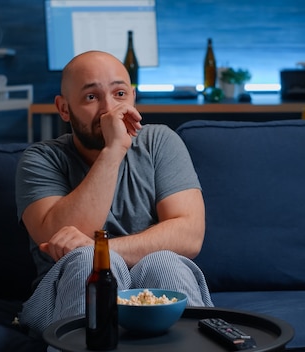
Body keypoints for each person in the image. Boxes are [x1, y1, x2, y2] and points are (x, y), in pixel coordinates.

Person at [15, 50, 214, 338]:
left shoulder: (160, 142)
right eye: (91, 97)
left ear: (133, 97)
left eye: (120, 93)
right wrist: (114, 150)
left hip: (149, 289)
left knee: (165, 261)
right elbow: (58, 238)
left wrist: (103, 251)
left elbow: (189, 235)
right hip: (62, 295)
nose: (109, 110)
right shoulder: (41, 159)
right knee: (85, 263)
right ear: (64, 109)